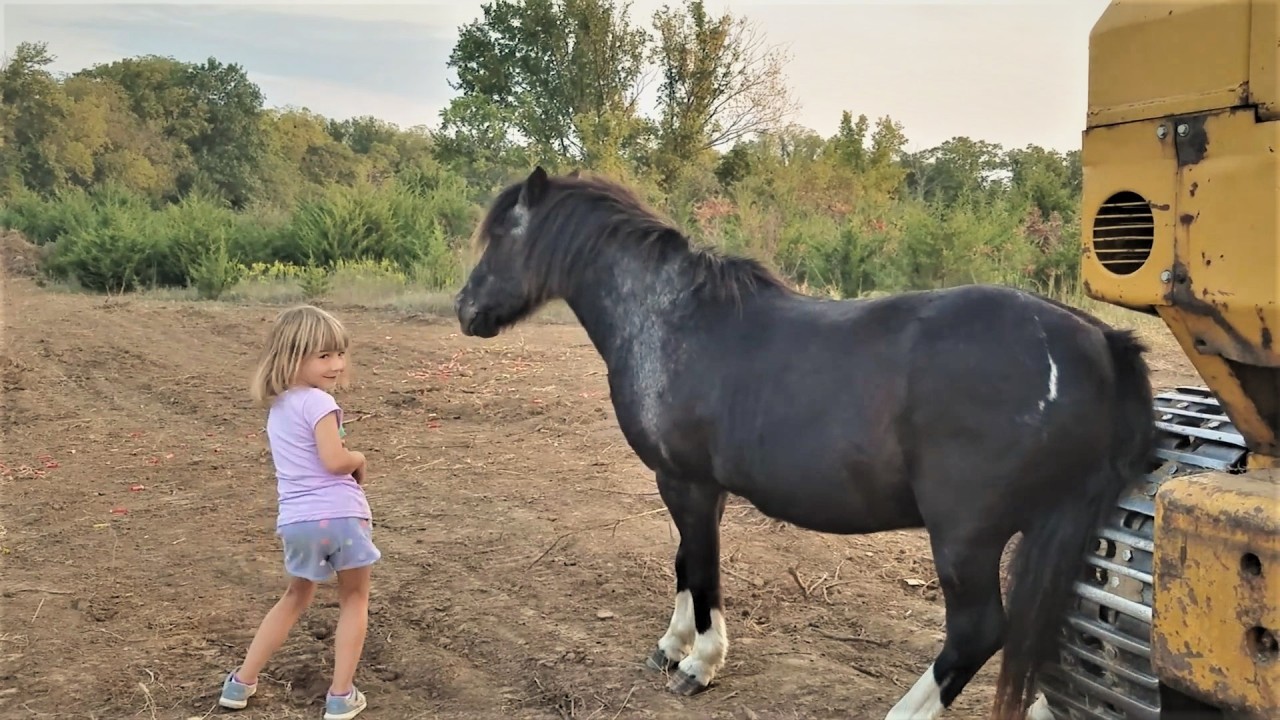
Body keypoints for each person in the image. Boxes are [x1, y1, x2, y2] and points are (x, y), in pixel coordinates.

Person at [219, 304, 378, 720]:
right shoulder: (320, 403)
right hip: (342, 515)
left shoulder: (278, 408)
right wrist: (357, 457)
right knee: (355, 598)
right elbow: (333, 460)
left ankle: (240, 683)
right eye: (323, 356)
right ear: (292, 356)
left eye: (339, 354)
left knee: (294, 596)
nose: (337, 365)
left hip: (297, 522)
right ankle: (341, 696)